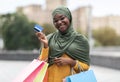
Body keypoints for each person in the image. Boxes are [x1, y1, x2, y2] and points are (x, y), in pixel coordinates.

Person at [35, 6, 90, 82]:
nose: (59, 22)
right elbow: (42, 63)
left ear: (69, 18)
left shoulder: (80, 40)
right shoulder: (49, 38)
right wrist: (46, 45)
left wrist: (70, 62)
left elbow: (86, 67)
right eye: (55, 21)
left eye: (62, 18)